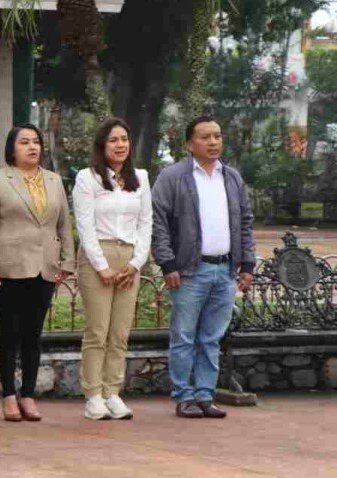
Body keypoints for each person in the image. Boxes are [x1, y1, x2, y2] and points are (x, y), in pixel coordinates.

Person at [151, 115, 255, 419]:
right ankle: (184, 396)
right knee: (183, 335)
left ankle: (205, 395)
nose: (213, 142)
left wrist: (247, 262)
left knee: (211, 338)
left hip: (225, 271)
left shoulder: (232, 177)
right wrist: (167, 262)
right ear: (188, 144)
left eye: (217, 136)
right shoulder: (172, 177)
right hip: (188, 272)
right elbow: (159, 223)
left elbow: (245, 222)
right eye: (205, 137)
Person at [0, 124, 74, 422]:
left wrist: (68, 261)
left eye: (36, 142)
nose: (32, 147)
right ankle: (9, 394)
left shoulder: (54, 180)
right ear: (12, 148)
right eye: (24, 142)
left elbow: (64, 225)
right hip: (9, 267)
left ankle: (29, 394)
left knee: (34, 334)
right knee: (9, 333)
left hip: (45, 267)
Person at [73, 118, 153, 421]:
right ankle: (93, 395)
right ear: (102, 146)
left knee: (120, 332)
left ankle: (112, 392)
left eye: (124, 139)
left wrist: (136, 263)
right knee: (97, 331)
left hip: (129, 257)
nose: (120, 145)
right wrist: (101, 266)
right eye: (113, 140)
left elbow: (146, 222)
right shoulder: (87, 178)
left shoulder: (141, 178)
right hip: (99, 255)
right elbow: (85, 225)